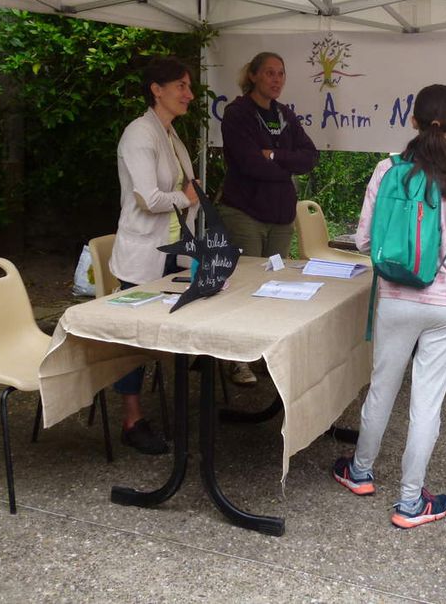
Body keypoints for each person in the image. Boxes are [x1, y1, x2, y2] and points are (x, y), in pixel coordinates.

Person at [331, 84, 446, 528]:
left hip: (394, 298)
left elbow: (364, 240)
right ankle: (409, 502)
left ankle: (360, 471)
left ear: (413, 120)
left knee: (382, 386)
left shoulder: (387, 171)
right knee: (427, 402)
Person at [108, 56, 200, 455]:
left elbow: (188, 189)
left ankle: (174, 410)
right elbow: (147, 198)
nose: (189, 94)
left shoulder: (171, 134)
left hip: (175, 251)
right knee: (134, 340)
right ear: (156, 89)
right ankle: (132, 419)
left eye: (189, 86)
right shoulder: (138, 134)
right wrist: (187, 196)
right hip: (144, 252)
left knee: (178, 328)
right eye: (181, 85)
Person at [219, 51, 320, 386]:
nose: (276, 80)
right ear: (253, 76)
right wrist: (285, 167)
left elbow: (311, 157)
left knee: (273, 286)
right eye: (269, 73)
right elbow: (248, 164)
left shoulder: (285, 115)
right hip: (245, 212)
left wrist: (275, 155)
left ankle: (261, 352)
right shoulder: (238, 113)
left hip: (279, 217)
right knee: (245, 286)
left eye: (281, 74)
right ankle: (237, 360)